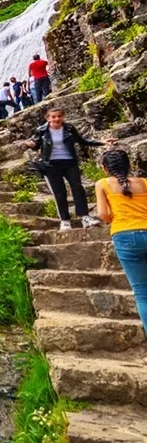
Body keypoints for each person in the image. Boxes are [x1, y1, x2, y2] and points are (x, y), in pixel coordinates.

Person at [24, 108, 114, 231]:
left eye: (59, 116)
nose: (57, 119)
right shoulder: (42, 130)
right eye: (53, 117)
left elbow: (82, 141)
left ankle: (85, 217)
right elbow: (36, 145)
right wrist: (31, 145)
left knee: (78, 188)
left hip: (70, 163)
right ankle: (65, 220)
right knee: (59, 193)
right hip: (51, 165)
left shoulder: (69, 128)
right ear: (48, 118)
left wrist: (102, 142)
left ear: (63, 117)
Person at [96, 149, 147, 363]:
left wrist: (116, 220)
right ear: (129, 165)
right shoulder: (144, 182)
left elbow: (102, 214)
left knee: (142, 293)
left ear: (105, 168)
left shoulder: (103, 184)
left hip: (125, 236)